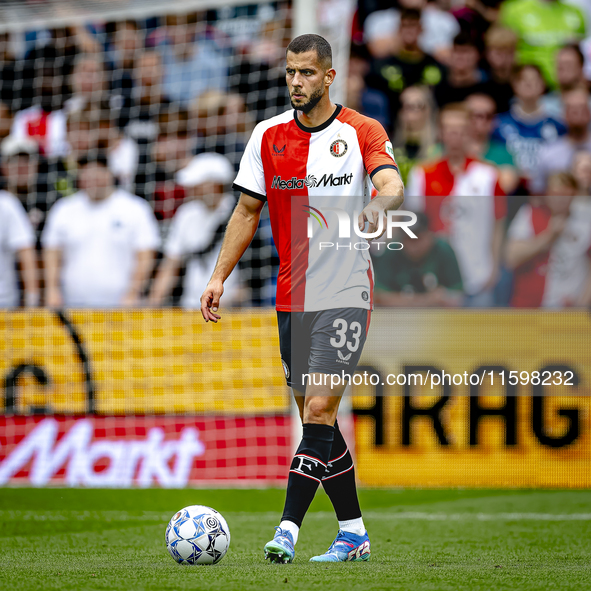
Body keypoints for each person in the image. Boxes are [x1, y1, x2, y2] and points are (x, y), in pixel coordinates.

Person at [200, 34, 403, 563]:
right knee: (320, 423)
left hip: (346, 291)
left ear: (329, 76)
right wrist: (218, 276)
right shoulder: (266, 136)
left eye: (307, 73)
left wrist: (381, 205)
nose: (296, 81)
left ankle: (287, 529)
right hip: (291, 296)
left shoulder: (362, 130)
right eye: (290, 72)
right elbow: (246, 213)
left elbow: (391, 184)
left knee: (317, 409)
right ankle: (353, 532)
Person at [406, 103, 506, 306]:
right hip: (436, 282)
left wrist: (494, 268)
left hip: (479, 277)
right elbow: (414, 227)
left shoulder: (488, 175)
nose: (454, 134)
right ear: (440, 133)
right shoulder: (422, 175)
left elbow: (498, 223)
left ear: (469, 132)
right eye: (449, 129)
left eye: (460, 129)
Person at [42, 153, 159, 308]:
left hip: (122, 307)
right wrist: (52, 290)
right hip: (72, 306)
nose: (92, 179)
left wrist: (133, 293)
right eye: (86, 173)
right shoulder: (63, 209)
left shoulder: (135, 208)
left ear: (110, 173)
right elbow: (52, 252)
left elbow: (145, 256)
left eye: (97, 172)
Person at [149, 153, 241, 308]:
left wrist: (228, 302)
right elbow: (170, 265)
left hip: (232, 310)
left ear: (215, 185)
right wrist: (153, 304)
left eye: (197, 184)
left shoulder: (240, 213)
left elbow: (253, 279)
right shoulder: (186, 214)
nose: (191, 188)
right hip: (191, 308)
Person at [506, 181, 591, 307]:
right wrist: (548, 236)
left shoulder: (585, 220)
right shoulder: (531, 214)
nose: (561, 200)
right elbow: (511, 258)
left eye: (567, 195)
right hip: (529, 308)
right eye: (556, 194)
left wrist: (581, 305)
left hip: (568, 310)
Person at [364, 9, 444, 127]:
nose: (410, 31)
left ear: (422, 30)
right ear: (399, 30)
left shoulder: (434, 65)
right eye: (406, 26)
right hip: (391, 126)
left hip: (428, 126)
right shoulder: (382, 65)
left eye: (414, 26)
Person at [492, 64, 566, 184]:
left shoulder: (558, 126)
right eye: (523, 79)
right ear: (514, 85)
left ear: (543, 85)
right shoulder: (498, 124)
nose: (528, 83)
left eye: (534, 79)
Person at [372, 211, 463, 307]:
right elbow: (378, 296)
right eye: (408, 239)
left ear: (429, 235)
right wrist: (427, 300)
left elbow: (457, 295)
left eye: (418, 239)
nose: (413, 246)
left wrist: (401, 300)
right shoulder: (392, 251)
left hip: (438, 318)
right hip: (398, 318)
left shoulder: (443, 250)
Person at [500, 0, 585, 88]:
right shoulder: (513, 10)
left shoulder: (576, 12)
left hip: (567, 87)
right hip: (529, 88)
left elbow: (580, 52)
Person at [0, 136, 39, 308]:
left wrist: (32, 300)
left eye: (26, 161)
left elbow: (27, 253)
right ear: (4, 167)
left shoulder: (53, 202)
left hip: (7, 301)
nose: (21, 167)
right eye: (14, 162)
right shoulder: (7, 201)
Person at [532, 88, 591, 193]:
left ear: (589, 112)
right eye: (572, 109)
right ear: (563, 114)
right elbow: (537, 192)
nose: (577, 114)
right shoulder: (548, 153)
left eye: (582, 108)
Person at [464, 93, 519, 193]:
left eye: (488, 116)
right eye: (474, 115)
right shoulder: (445, 149)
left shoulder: (504, 153)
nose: (480, 121)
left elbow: (507, 186)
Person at [434, 33, 488, 107]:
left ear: (477, 55)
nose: (460, 57)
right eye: (456, 51)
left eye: (465, 51)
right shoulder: (439, 88)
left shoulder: (488, 88)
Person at [540, 44, 590, 120]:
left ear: (581, 67)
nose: (562, 69)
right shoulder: (543, 106)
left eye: (568, 64)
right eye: (559, 65)